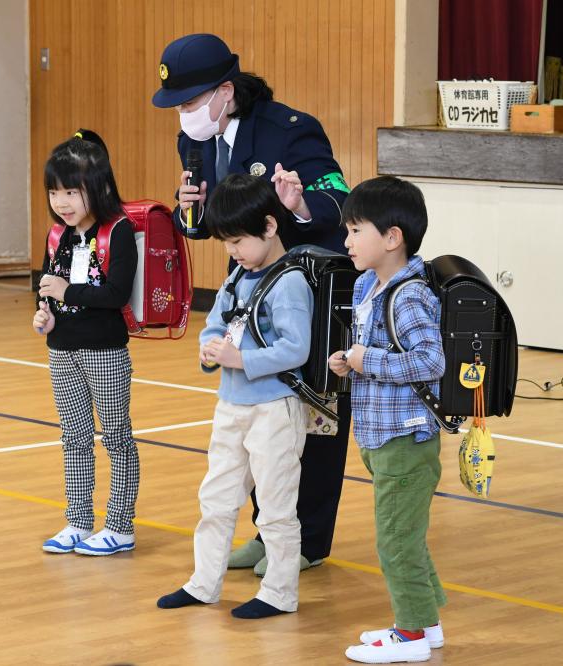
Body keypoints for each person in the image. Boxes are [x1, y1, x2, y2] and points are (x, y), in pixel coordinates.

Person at [152, 31, 351, 576]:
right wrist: (187, 212)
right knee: (265, 418)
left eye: (191, 102)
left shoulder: (290, 130)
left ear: (225, 90)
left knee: (315, 415)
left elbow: (340, 200)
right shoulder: (195, 140)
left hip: (311, 290)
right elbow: (210, 222)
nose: (185, 115)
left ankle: (307, 540)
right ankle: (269, 532)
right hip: (251, 291)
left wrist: (301, 202)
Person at [156, 174, 312, 619]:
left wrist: (239, 358)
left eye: (238, 241)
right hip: (232, 404)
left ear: (269, 226)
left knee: (277, 508)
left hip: (274, 409)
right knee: (217, 499)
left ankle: (279, 593)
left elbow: (294, 348)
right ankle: (204, 583)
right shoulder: (240, 275)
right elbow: (215, 325)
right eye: (225, 243)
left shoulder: (289, 283)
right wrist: (211, 352)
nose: (232, 251)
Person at [327, 176, 447, 664]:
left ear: (392, 237)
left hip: (406, 436)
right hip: (379, 432)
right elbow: (372, 349)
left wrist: (366, 360)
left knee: (396, 539)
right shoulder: (365, 285)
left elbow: (429, 362)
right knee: (405, 535)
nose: (347, 241)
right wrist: (349, 361)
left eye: (356, 230)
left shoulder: (411, 295)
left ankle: (411, 635)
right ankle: (427, 626)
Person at [34, 132, 140, 557]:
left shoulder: (118, 231)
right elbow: (45, 287)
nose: (62, 202)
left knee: (116, 436)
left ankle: (120, 525)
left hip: (105, 353)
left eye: (72, 192)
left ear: (97, 187)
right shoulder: (57, 235)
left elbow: (115, 294)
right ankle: (78, 519)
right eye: (54, 192)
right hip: (61, 350)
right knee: (74, 437)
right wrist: (43, 313)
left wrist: (66, 292)